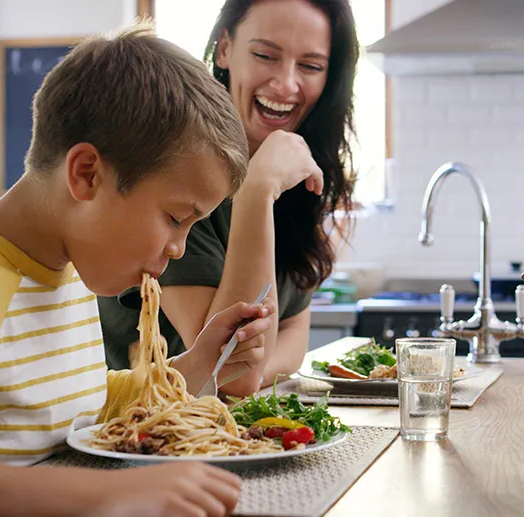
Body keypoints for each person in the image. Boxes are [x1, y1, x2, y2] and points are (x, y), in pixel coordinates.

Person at [0, 23, 275, 517]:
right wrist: (105, 495)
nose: (180, 249)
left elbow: (82, 404)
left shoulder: (70, 273)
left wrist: (201, 359)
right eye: (175, 218)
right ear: (86, 174)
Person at [99, 0, 359, 396]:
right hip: (136, 433)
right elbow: (233, 372)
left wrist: (255, 370)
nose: (287, 84)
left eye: (310, 66)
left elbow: (292, 331)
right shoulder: (179, 164)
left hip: (224, 434)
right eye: (265, 55)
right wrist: (257, 189)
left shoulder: (296, 169)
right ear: (224, 49)